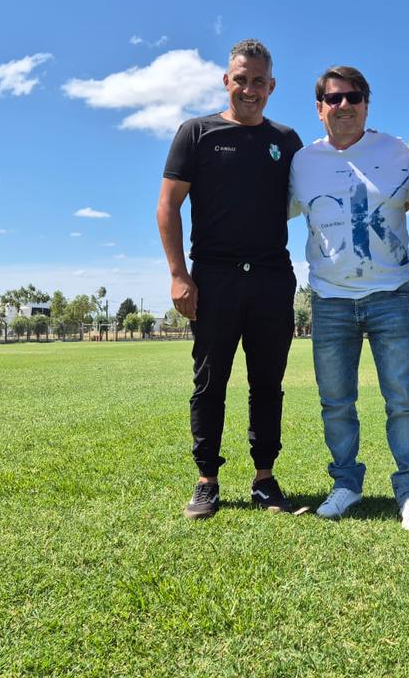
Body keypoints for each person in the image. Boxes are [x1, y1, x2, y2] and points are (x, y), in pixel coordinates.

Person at [156, 39, 303, 519]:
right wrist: (179, 275)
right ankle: (207, 481)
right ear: (226, 80)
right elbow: (167, 206)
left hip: (271, 277)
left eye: (259, 81)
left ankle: (264, 480)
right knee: (210, 382)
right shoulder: (196, 133)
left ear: (272, 86)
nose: (249, 89)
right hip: (214, 278)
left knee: (268, 382)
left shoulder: (286, 141)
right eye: (241, 79)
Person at [289, 66, 409, 534]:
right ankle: (346, 484)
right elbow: (271, 210)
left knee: (404, 401)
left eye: (353, 97)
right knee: (335, 403)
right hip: (329, 301)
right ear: (319, 108)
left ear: (367, 103)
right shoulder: (301, 162)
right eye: (333, 99)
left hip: (391, 296)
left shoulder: (397, 152)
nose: (343, 106)